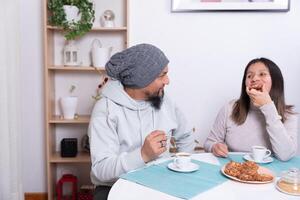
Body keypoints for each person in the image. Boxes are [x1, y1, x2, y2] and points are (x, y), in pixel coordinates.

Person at [88, 43, 195, 200]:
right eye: (162, 75)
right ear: (141, 78)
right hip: (115, 186)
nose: (168, 81)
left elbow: (186, 136)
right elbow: (101, 170)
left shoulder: (165, 102)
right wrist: (143, 154)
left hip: (160, 184)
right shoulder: (105, 110)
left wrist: (180, 168)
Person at [204, 57, 297, 161]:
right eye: (249, 76)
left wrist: (267, 107)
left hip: (271, 174)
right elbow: (209, 142)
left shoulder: (289, 115)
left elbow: (286, 155)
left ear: (275, 81)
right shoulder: (230, 108)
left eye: (262, 74)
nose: (254, 79)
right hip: (233, 169)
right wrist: (214, 147)